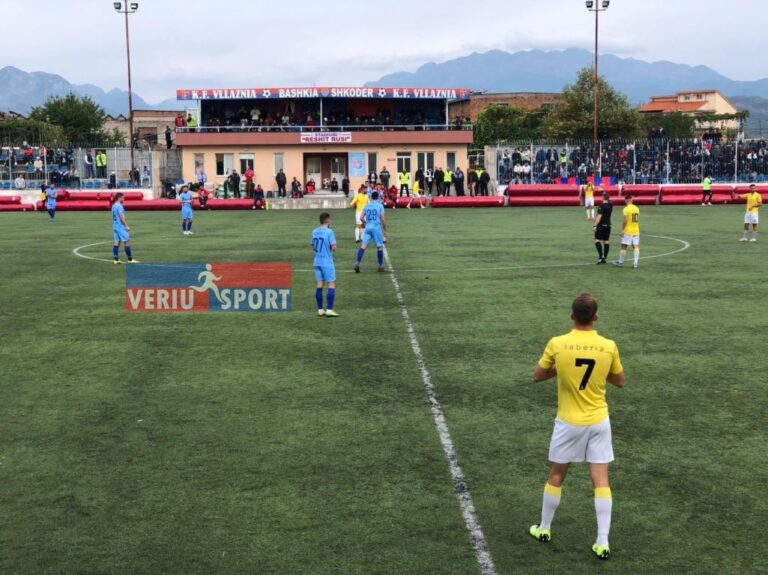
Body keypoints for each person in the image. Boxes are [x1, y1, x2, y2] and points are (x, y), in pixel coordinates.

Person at [529, 293, 624, 561]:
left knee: (557, 475)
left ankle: (545, 528)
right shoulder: (608, 346)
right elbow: (620, 381)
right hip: (598, 420)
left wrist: (560, 369)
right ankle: (602, 542)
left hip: (568, 422)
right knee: (601, 479)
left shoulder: (558, 344)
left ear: (572, 316)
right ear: (596, 317)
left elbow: (537, 376)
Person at [311, 212, 339, 318]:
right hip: (327, 261)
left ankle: (320, 310)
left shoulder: (314, 231)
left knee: (319, 284)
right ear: (328, 221)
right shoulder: (329, 232)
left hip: (317, 261)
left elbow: (313, 245)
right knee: (331, 284)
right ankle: (330, 310)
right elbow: (334, 247)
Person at [355, 190, 387, 273]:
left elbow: (361, 218)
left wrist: (366, 223)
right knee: (379, 247)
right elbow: (383, 219)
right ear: (378, 197)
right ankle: (380, 266)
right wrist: (385, 230)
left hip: (368, 228)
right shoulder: (380, 206)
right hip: (376, 228)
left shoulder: (366, 206)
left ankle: (357, 264)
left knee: (363, 246)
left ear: (371, 197)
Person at [613, 195, 640, 269]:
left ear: (625, 200)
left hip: (628, 230)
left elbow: (625, 221)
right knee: (635, 246)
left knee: (624, 245)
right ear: (631, 200)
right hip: (636, 230)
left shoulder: (626, 209)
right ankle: (635, 264)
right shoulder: (636, 208)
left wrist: (622, 230)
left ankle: (621, 262)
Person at [111, 193, 138, 264]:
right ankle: (130, 259)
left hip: (115, 226)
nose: (124, 199)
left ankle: (116, 259)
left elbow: (113, 217)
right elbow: (121, 217)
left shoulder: (113, 206)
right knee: (126, 242)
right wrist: (126, 226)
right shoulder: (119, 206)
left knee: (117, 242)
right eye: (123, 197)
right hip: (120, 226)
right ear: (119, 198)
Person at [593, 192, 613, 264]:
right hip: (609, 225)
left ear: (602, 198)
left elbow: (599, 216)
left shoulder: (601, 206)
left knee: (597, 240)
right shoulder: (611, 205)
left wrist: (595, 225)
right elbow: (610, 201)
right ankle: (605, 258)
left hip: (601, 225)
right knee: (606, 241)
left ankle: (601, 256)